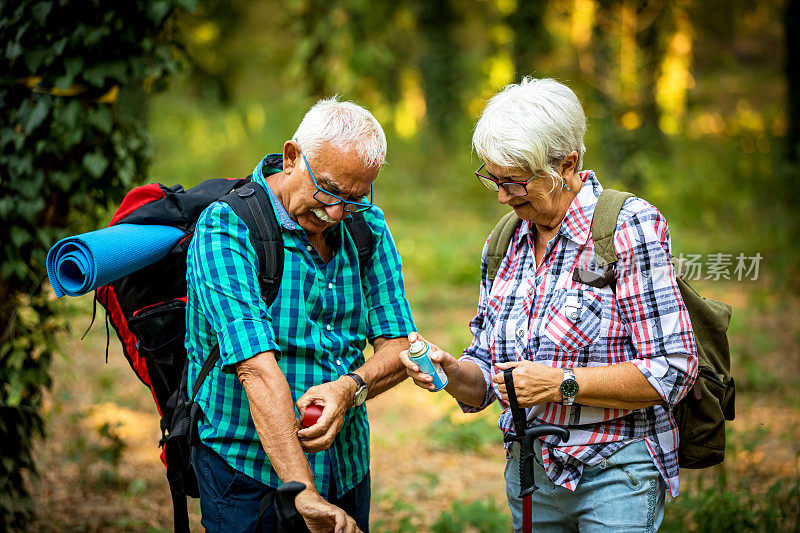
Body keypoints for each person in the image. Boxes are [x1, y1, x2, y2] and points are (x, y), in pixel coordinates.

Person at [400, 78, 697, 532]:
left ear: (567, 164)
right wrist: (452, 372)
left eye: (515, 182)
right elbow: (486, 377)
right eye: (493, 179)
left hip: (616, 472)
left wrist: (563, 384)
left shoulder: (628, 228)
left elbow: (674, 367)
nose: (502, 196)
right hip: (530, 474)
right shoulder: (505, 241)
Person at [186, 97, 415, 533]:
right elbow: (256, 370)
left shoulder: (368, 227)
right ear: (291, 158)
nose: (334, 213)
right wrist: (302, 492)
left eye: (353, 198)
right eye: (327, 190)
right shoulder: (227, 229)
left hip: (345, 466)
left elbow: (399, 343)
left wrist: (350, 389)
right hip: (247, 474)